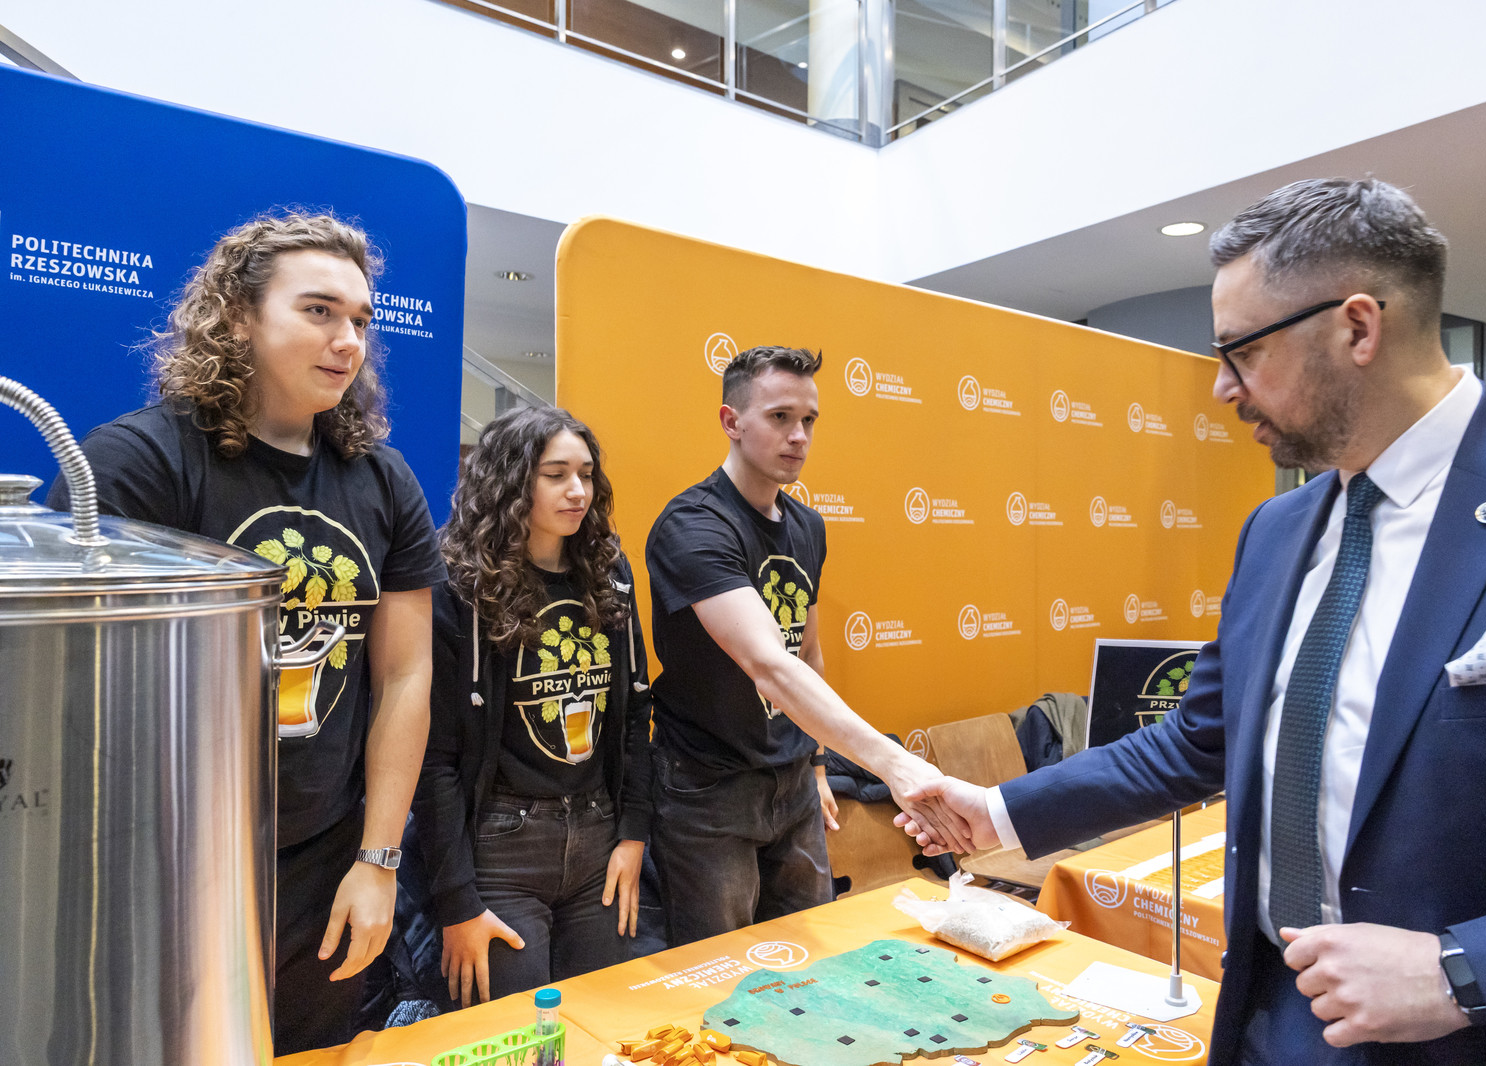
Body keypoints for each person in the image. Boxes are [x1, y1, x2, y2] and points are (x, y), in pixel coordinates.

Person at [897, 179, 1486, 1065]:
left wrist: (1467, 973)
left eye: (1243, 352)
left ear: (1357, 328)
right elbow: (1201, 741)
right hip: (1270, 1020)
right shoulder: (1276, 530)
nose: (1223, 388)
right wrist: (999, 810)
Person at [48, 213, 443, 1055]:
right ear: (237, 316)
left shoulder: (383, 479)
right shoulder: (140, 462)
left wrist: (378, 861)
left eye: (360, 320)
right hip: (161, 863)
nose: (348, 341)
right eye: (318, 311)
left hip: (324, 859)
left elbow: (406, 677)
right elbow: (73, 694)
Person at [645, 344, 967, 946]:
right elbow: (769, 663)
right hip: (708, 787)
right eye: (779, 417)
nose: (798, 436)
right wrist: (894, 763)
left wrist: (817, 763)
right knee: (717, 963)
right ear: (731, 421)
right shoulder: (693, 526)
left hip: (793, 782)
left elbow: (807, 653)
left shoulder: (806, 526)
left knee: (809, 949)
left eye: (808, 420)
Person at [413, 404, 652, 1007]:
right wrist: (457, 901)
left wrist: (633, 834)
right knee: (514, 1037)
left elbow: (634, 713)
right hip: (500, 848)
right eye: (556, 475)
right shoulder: (459, 584)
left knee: (599, 1022)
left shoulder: (610, 572)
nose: (578, 492)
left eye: (587, 475)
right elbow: (434, 760)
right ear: (511, 481)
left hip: (599, 838)